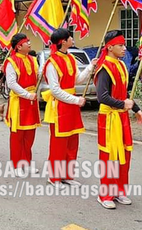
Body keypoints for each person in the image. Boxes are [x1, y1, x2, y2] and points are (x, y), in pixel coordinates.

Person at [94, 30, 142, 209]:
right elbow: (102, 97)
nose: (124, 48)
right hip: (109, 118)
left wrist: (136, 109)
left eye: (124, 45)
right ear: (110, 47)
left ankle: (119, 190)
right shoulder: (104, 68)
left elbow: (124, 95)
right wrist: (123, 104)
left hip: (122, 117)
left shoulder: (122, 66)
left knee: (124, 154)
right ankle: (105, 194)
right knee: (109, 156)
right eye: (120, 45)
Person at [43, 28, 96, 187]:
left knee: (73, 141)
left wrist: (90, 67)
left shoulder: (71, 58)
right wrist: (75, 100)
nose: (72, 38)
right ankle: (54, 176)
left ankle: (67, 175)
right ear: (63, 42)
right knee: (58, 144)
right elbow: (55, 90)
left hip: (71, 106)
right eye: (69, 37)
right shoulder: (51, 62)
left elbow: (76, 80)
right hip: (59, 107)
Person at [4, 33, 41, 177]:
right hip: (19, 102)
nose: (30, 44)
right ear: (19, 46)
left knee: (30, 134)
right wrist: (26, 95)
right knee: (17, 135)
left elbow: (37, 76)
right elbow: (12, 83)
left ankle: (26, 162)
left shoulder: (33, 59)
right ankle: (16, 164)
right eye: (27, 42)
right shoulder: (11, 62)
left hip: (31, 101)